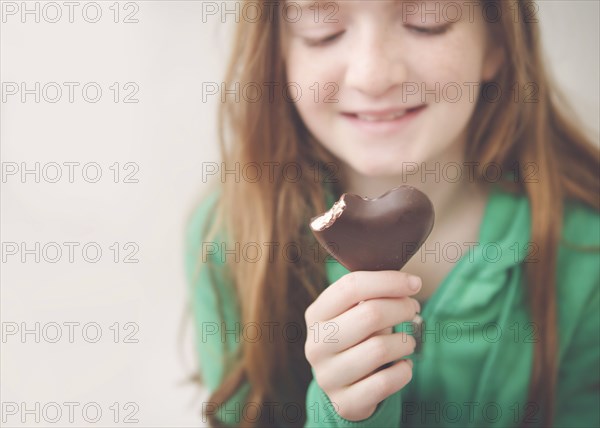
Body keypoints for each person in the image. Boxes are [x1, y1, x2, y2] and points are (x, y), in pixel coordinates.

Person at [184, 1, 600, 427]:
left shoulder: (586, 246)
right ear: (279, 53)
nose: (373, 76)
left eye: (427, 22)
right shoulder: (230, 239)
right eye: (322, 30)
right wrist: (345, 415)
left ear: (498, 40)